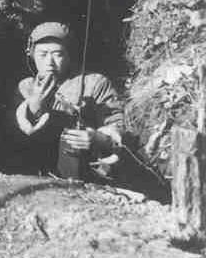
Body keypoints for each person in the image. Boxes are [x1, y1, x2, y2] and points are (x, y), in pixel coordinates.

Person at [9, 22, 123, 180]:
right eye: (43, 54)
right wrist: (33, 108)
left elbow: (117, 125)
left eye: (58, 54)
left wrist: (97, 138)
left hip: (82, 172)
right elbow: (12, 136)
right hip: (34, 173)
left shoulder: (94, 83)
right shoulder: (26, 87)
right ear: (32, 56)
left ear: (69, 55)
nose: (49, 62)